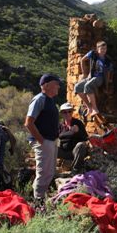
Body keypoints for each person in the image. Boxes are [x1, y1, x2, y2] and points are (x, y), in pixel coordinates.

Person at [25, 74, 62, 202]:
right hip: (44, 141)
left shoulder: (50, 100)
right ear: (46, 85)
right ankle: (38, 202)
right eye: (55, 83)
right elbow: (29, 123)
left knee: (49, 172)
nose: (58, 85)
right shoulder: (39, 99)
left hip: (50, 141)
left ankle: (39, 198)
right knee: (43, 173)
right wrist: (41, 140)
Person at [74, 41, 113, 117]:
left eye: (105, 49)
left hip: (100, 78)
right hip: (91, 76)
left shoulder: (108, 60)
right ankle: (89, 107)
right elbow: (82, 60)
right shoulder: (93, 54)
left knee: (87, 86)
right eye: (101, 49)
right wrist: (84, 73)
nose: (103, 51)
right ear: (97, 49)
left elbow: (108, 73)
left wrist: (107, 84)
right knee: (77, 87)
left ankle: (95, 109)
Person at [57, 102, 89, 172]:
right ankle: (49, 171)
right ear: (61, 114)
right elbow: (53, 136)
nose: (67, 114)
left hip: (76, 152)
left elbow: (85, 138)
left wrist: (78, 132)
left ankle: (76, 170)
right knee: (50, 147)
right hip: (65, 152)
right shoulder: (60, 125)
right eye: (65, 112)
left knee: (80, 145)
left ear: (72, 112)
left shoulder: (78, 123)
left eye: (69, 111)